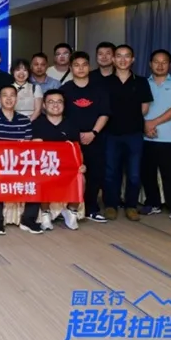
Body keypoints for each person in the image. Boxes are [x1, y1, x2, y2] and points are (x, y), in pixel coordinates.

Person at [0, 85, 42, 235]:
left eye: (12, 95)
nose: (8, 99)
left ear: (17, 98)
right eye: (5, 95)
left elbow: (27, 147)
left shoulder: (25, 120)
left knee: (37, 178)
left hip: (20, 164)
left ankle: (28, 220)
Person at [103, 44, 153, 222]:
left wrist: (130, 118)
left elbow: (144, 108)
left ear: (132, 59)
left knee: (134, 173)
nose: (123, 60)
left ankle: (131, 206)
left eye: (127, 56)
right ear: (113, 59)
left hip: (134, 134)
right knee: (111, 172)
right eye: (119, 56)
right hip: (111, 134)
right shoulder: (105, 82)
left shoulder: (141, 82)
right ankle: (111, 205)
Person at [61, 51, 110, 223]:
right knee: (70, 175)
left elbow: (104, 113)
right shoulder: (65, 89)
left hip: (95, 138)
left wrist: (93, 133)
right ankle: (67, 209)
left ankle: (91, 209)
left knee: (94, 174)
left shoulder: (99, 89)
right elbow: (59, 114)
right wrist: (73, 135)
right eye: (76, 65)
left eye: (84, 65)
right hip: (71, 141)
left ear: (89, 67)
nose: (80, 68)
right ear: (70, 68)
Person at [141, 49, 171, 223]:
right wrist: (145, 126)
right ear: (150, 64)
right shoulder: (143, 83)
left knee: (170, 175)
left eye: (164, 62)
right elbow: (135, 108)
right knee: (147, 173)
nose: (160, 65)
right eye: (156, 62)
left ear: (170, 64)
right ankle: (152, 203)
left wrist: (153, 123)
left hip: (168, 138)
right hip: (145, 137)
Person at [31, 89, 81, 230]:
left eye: (59, 102)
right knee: (43, 175)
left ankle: (71, 211)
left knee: (80, 177)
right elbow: (36, 150)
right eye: (51, 102)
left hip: (67, 166)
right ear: (44, 105)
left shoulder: (71, 124)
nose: (55, 105)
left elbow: (76, 149)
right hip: (45, 165)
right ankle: (45, 213)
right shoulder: (37, 124)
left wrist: (80, 164)